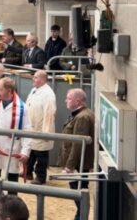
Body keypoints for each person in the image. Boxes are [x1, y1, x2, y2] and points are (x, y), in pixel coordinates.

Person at [59, 88, 94, 220]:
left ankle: (81, 216)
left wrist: (69, 166)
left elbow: (78, 144)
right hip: (79, 163)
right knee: (78, 192)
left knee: (78, 192)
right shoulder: (81, 114)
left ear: (78, 101)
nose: (65, 101)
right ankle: (80, 215)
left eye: (68, 98)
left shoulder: (82, 117)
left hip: (78, 164)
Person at [25, 70, 57, 185]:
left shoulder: (48, 94)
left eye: (36, 77)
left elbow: (49, 114)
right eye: (34, 77)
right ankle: (27, 172)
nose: (34, 79)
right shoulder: (34, 90)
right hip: (31, 128)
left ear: (43, 79)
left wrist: (46, 133)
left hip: (41, 129)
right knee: (31, 152)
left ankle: (41, 177)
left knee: (41, 155)